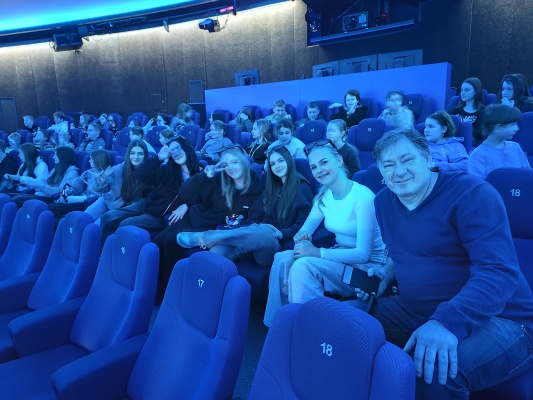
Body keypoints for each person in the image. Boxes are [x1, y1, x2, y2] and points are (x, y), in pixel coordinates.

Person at [363, 128, 533, 399]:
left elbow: (498, 271)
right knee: (351, 322)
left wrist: (446, 322)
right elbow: (403, 252)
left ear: (428, 158)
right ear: (381, 172)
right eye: (389, 165)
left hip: (501, 318)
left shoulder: (471, 194)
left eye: (407, 160)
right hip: (417, 309)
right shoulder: (383, 202)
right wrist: (386, 273)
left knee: (436, 369)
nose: (399, 171)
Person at [263, 139, 387, 327]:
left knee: (303, 266)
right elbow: (304, 231)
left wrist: (316, 252)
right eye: (313, 167)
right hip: (340, 259)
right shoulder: (324, 197)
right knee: (282, 258)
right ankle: (277, 324)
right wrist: (302, 239)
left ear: (339, 160)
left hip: (367, 270)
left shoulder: (362, 197)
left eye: (324, 162)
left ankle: (311, 329)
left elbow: (363, 254)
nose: (319, 170)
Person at [153, 146, 263, 301]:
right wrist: (203, 176)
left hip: (212, 227)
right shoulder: (218, 179)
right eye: (226, 164)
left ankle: (166, 293)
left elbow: (253, 219)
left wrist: (221, 232)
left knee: (170, 242)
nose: (230, 167)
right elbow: (185, 192)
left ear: (244, 163)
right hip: (195, 218)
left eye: (235, 162)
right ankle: (154, 287)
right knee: (157, 242)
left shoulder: (256, 188)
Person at [177, 145, 313, 266]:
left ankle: (205, 237)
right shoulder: (272, 187)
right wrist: (241, 225)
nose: (277, 166)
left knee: (263, 231)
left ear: (289, 160)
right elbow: (256, 215)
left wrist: (283, 233)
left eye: (281, 161)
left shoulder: (301, 187)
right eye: (272, 163)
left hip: (273, 243)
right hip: (253, 240)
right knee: (217, 251)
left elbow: (304, 225)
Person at [99, 136, 200, 245]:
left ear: (186, 148)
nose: (176, 153)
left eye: (178, 148)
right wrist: (159, 158)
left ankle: (119, 252)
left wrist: (187, 205)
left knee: (125, 224)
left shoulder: (201, 173)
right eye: (172, 150)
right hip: (146, 204)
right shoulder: (167, 170)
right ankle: (105, 252)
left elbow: (204, 197)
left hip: (160, 216)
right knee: (108, 217)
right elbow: (140, 174)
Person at [85, 140, 150, 223]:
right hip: (107, 200)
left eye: (140, 154)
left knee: (97, 225)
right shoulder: (117, 169)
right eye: (132, 153)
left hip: (123, 208)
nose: (136, 157)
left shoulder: (150, 171)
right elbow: (100, 189)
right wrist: (100, 182)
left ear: (145, 155)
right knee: (84, 218)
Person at [48, 149, 112, 224]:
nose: (89, 161)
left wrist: (70, 199)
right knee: (50, 207)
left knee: (55, 211)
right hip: (75, 198)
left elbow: (98, 196)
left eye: (91, 159)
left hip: (85, 202)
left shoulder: (107, 177)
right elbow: (71, 187)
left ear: (98, 160)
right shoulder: (87, 172)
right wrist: (63, 194)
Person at [469, 104, 530, 179]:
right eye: (513, 125)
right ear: (497, 127)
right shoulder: (478, 155)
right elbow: (477, 183)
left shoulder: (515, 147)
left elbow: (528, 174)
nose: (517, 128)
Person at [10, 146, 81, 207]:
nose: (53, 157)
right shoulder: (56, 169)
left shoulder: (72, 173)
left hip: (51, 199)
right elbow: (44, 182)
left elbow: (61, 191)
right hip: (41, 194)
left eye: (56, 155)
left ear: (62, 157)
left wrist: (42, 187)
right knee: (11, 196)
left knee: (17, 200)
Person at [448, 77, 486, 146]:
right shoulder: (454, 110)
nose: (462, 93)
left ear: (475, 92)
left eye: (467, 90)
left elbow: (478, 133)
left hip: (470, 143)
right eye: (462, 90)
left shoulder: (483, 111)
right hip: (451, 141)